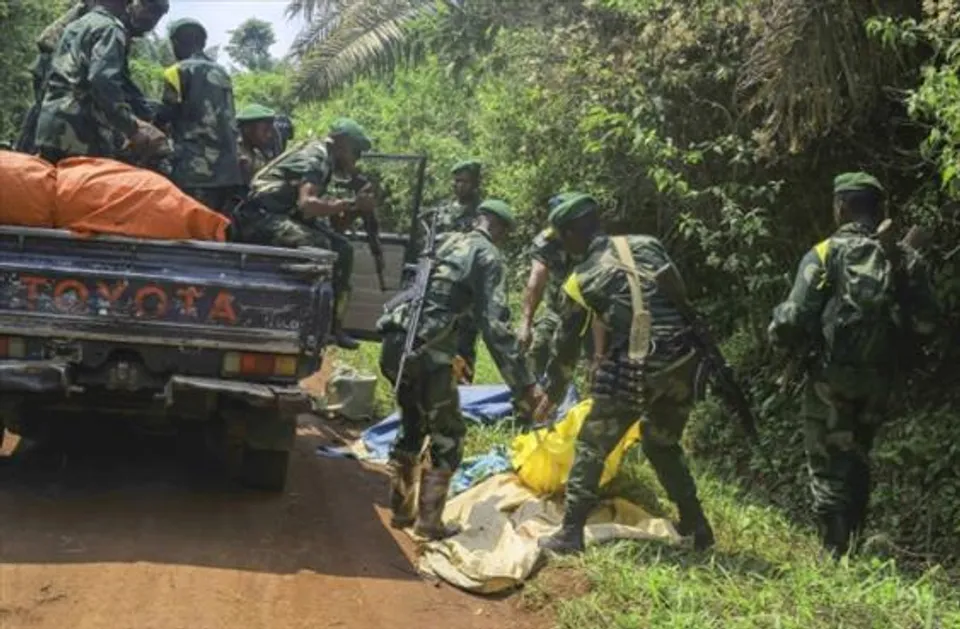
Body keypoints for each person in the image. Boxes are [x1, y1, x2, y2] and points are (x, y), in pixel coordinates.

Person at [768, 172, 938, 558]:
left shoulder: (826, 253)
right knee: (859, 456)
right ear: (880, 210)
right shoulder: (904, 259)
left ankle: (833, 556)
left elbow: (791, 321)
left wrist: (782, 340)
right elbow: (928, 323)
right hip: (880, 381)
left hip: (831, 378)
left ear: (841, 206)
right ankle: (855, 546)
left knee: (828, 464)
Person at [534, 193, 714, 554]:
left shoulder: (580, 280)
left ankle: (570, 533)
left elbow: (565, 348)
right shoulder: (648, 245)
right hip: (683, 362)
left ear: (570, 235)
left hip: (635, 369)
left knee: (590, 444)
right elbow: (676, 296)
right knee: (661, 442)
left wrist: (551, 395)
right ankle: (697, 525)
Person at [378, 200, 543, 540]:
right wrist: (524, 384)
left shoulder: (445, 240)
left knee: (411, 422)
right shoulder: (488, 256)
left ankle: (400, 510)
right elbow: (495, 327)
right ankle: (429, 523)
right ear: (500, 229)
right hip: (428, 353)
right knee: (448, 435)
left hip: (396, 342)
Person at [236, 118, 375, 350]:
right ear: (341, 143)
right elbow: (307, 204)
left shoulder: (325, 161)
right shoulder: (316, 156)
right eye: (356, 152)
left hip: (280, 214)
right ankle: (303, 318)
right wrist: (350, 203)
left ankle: (333, 326)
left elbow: (335, 226)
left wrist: (357, 207)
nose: (356, 160)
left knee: (341, 247)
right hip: (258, 217)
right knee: (317, 244)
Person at [33, 0, 167, 165]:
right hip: (80, 132)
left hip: (51, 124)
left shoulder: (75, 25)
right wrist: (131, 128)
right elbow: (103, 81)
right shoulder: (111, 28)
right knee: (84, 188)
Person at [157, 18, 243, 214]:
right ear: (203, 43)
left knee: (194, 227)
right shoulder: (222, 73)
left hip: (194, 170)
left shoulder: (176, 71)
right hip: (228, 170)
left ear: (176, 43)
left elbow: (165, 115)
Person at [518, 192, 585, 379]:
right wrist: (526, 323)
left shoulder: (592, 239)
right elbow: (536, 280)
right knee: (538, 348)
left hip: (591, 314)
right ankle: (528, 400)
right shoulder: (546, 241)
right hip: (557, 310)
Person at [236, 104, 278, 188]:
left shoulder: (257, 153)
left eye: (270, 130)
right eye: (265, 130)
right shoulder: (237, 156)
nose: (269, 135)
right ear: (247, 129)